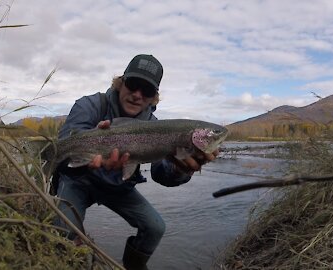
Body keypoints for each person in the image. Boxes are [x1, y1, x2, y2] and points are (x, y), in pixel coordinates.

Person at [53, 54, 218, 270]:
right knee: (64, 234)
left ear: (153, 98)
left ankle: (132, 266)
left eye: (147, 91)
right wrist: (88, 148)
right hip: (78, 180)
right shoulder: (90, 105)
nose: (137, 95)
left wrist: (181, 169)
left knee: (155, 227)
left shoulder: (155, 126)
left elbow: (161, 174)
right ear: (120, 83)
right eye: (133, 85)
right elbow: (64, 147)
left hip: (117, 185)